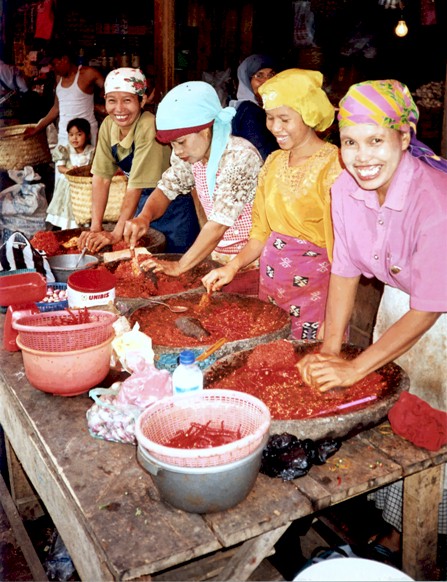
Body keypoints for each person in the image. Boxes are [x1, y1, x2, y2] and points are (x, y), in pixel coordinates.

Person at [297, 79, 447, 559]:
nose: (362, 156)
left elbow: (429, 304)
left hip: (437, 315)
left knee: (439, 433)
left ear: (405, 138)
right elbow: (344, 270)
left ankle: (428, 538)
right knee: (401, 419)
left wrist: (355, 368)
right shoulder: (345, 188)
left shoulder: (436, 199)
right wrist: (330, 353)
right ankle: (399, 532)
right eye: (350, 142)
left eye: (376, 140)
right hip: (400, 309)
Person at [202, 69, 343, 340]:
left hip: (316, 288)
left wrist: (334, 318)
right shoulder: (273, 162)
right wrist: (232, 267)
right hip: (271, 281)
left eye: (285, 119)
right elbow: (260, 233)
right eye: (270, 117)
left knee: (310, 363)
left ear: (309, 114)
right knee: (273, 352)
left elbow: (344, 251)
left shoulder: (334, 166)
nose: (275, 127)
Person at [123, 80, 263, 281]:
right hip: (219, 257)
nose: (177, 151)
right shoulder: (192, 155)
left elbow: (218, 226)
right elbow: (167, 188)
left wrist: (180, 266)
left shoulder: (239, 157)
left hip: (251, 261)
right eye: (172, 144)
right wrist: (144, 217)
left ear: (205, 131)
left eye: (181, 142)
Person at [76, 67, 198, 254]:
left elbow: (135, 186)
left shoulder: (148, 126)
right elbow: (101, 178)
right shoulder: (108, 125)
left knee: (174, 262)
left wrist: (116, 234)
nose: (119, 109)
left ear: (142, 100)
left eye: (127, 100)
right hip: (140, 206)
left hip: (173, 208)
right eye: (111, 101)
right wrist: (95, 228)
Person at [25, 41, 104, 149]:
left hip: (84, 137)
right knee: (62, 165)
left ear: (65, 60)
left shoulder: (88, 73)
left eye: (53, 64)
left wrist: (101, 106)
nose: (51, 68)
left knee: (85, 165)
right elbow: (56, 108)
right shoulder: (59, 78)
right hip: (64, 135)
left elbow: (110, 88)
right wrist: (37, 129)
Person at [46, 117, 95, 230]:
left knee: (83, 208)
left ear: (87, 136)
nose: (74, 138)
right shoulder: (65, 150)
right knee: (69, 208)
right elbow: (60, 168)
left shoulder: (92, 151)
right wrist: (71, 171)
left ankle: (83, 228)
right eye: (71, 135)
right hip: (69, 186)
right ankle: (68, 229)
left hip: (84, 186)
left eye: (79, 134)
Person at [229, 53, 279, 160]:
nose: (266, 81)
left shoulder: (261, 109)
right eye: (259, 76)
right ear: (246, 81)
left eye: (271, 75)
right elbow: (263, 156)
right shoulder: (250, 112)